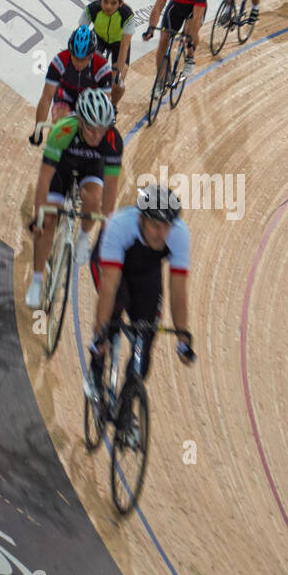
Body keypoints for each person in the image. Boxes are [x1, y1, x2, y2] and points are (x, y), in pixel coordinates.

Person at [86, 185, 195, 439]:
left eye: (167, 226)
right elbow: (109, 286)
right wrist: (101, 332)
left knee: (145, 344)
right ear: (141, 218)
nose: (162, 233)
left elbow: (178, 291)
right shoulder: (120, 226)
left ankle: (125, 410)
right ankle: (96, 370)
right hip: (112, 265)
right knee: (115, 307)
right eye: (156, 226)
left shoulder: (178, 235)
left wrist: (182, 338)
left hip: (145, 273)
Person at [25, 87, 121, 310]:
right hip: (62, 169)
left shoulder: (112, 140)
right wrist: (39, 216)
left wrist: (106, 228)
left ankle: (82, 239)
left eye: (101, 130)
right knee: (48, 221)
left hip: (91, 169)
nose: (97, 136)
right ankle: (37, 281)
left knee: (93, 200)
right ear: (79, 121)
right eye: (91, 130)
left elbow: (111, 190)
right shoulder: (63, 130)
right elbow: (44, 179)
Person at [29, 25, 113, 144]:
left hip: (90, 102)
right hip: (66, 97)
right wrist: (38, 130)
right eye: (75, 58)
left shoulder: (102, 67)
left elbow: (103, 103)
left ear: (91, 55)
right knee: (58, 121)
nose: (79, 63)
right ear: (70, 52)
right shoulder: (60, 61)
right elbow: (46, 98)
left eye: (83, 59)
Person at [143, 0, 207, 84]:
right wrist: (151, 28)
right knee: (163, 40)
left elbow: (197, 18)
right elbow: (158, 7)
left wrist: (190, 40)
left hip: (193, 12)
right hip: (176, 8)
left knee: (189, 34)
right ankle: (160, 80)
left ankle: (189, 56)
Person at [79, 0, 136, 105]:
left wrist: (117, 72)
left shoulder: (127, 15)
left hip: (118, 44)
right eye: (105, 1)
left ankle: (113, 107)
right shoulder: (92, 9)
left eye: (113, 3)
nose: (108, 6)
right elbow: (80, 36)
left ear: (121, 3)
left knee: (117, 83)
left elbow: (124, 47)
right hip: (98, 40)